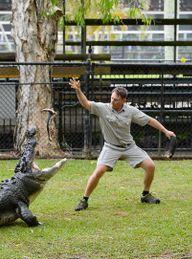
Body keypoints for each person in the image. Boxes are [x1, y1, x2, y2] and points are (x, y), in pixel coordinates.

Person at [69, 78, 176, 211]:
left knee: (150, 166)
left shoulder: (130, 111)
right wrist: (78, 90)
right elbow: (85, 103)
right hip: (111, 147)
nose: (112, 101)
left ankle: (145, 194)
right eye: (111, 98)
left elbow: (149, 120)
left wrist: (165, 131)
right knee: (99, 171)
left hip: (129, 147)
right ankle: (84, 200)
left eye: (116, 99)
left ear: (124, 100)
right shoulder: (103, 108)